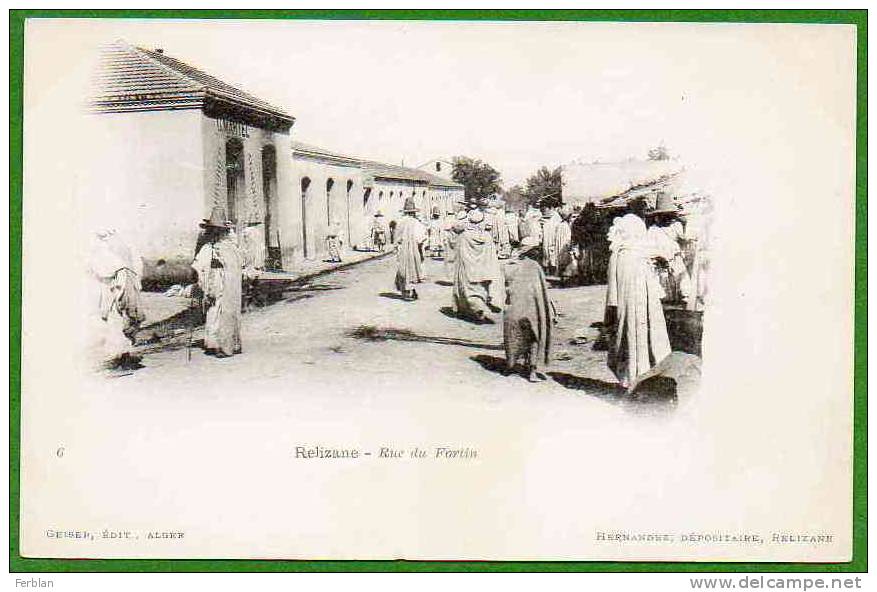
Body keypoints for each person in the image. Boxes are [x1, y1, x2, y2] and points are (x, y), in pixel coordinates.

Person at [606, 213, 671, 392]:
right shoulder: (640, 254)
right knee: (645, 340)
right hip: (644, 307)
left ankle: (631, 379)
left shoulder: (618, 255)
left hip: (627, 308)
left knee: (629, 340)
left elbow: (612, 291)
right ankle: (643, 377)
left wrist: (612, 309)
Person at [502, 236, 558, 382]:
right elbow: (541, 291)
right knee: (534, 336)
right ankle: (532, 370)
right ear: (532, 251)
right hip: (531, 309)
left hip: (514, 309)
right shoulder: (534, 266)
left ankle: (512, 365)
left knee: (514, 336)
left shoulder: (510, 265)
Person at [89, 228, 145, 368]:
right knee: (122, 319)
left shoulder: (109, 249)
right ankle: (122, 354)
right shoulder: (123, 246)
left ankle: (121, 356)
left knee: (117, 321)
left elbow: (103, 271)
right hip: (122, 286)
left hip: (117, 288)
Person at [192, 207, 243, 358]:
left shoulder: (229, 248)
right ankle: (215, 344)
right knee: (214, 312)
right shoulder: (209, 248)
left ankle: (227, 345)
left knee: (224, 313)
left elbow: (237, 266)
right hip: (215, 284)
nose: (215, 232)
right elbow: (198, 266)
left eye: (218, 229)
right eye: (213, 229)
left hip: (226, 285)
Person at [645, 193, 692, 306]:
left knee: (683, 283)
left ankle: (684, 299)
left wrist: (683, 223)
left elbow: (684, 239)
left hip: (676, 260)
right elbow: (650, 248)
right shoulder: (653, 230)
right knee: (662, 286)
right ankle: (665, 303)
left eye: (669, 215)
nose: (667, 218)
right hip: (661, 263)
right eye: (664, 215)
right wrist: (659, 257)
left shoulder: (675, 226)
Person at [452, 209, 499, 322]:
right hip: (482, 270)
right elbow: (492, 255)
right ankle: (479, 308)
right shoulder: (487, 237)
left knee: (468, 289)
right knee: (481, 289)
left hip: (468, 269)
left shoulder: (464, 236)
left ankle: (473, 309)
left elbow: (458, 253)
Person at [394, 198, 427, 300]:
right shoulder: (416, 223)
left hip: (402, 249)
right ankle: (411, 290)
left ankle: (404, 291)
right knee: (412, 268)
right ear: (413, 212)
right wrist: (422, 247)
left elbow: (396, 237)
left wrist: (397, 247)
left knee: (403, 269)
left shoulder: (400, 222)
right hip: (413, 249)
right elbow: (421, 238)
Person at [239, 221, 266, 309]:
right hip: (251, 266)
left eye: (246, 237)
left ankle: (252, 300)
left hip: (252, 266)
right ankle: (252, 300)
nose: (246, 238)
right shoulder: (255, 234)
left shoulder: (250, 234)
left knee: (251, 280)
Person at [554, 206, 576, 286]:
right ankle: (566, 280)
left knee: (562, 263)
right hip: (565, 247)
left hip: (561, 247)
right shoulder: (565, 226)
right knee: (567, 263)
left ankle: (563, 279)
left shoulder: (560, 225)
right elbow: (568, 239)